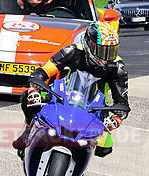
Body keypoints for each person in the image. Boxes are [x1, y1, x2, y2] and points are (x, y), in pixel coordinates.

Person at [12, 20, 128, 156]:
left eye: (111, 51)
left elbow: (122, 101)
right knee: (28, 97)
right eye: (102, 50)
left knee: (105, 148)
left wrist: (116, 118)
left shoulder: (117, 67)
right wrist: (35, 87)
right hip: (63, 95)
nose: (107, 57)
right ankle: (27, 131)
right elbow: (44, 71)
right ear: (89, 44)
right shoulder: (72, 51)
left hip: (96, 107)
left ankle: (79, 163)